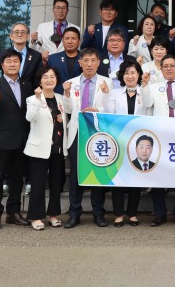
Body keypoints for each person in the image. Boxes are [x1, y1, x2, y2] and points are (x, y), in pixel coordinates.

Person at [0, 50, 34, 230]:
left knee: (17, 178)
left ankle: (13, 213)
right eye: (9, 61)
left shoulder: (27, 85)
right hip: (2, 140)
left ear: (20, 64)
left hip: (22, 140)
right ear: (2, 65)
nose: (12, 64)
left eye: (16, 61)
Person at [61, 47, 112, 228]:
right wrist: (67, 94)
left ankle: (98, 213)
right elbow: (68, 110)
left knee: (97, 172)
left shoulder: (107, 82)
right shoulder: (70, 83)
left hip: (97, 132)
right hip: (77, 132)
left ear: (98, 63)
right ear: (80, 63)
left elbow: (112, 109)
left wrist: (98, 108)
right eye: (86, 60)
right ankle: (74, 213)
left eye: (93, 60)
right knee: (76, 174)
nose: (89, 64)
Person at [142, 54, 175, 226]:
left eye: (172, 66)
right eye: (166, 66)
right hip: (160, 136)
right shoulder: (153, 87)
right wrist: (144, 85)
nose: (169, 69)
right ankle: (160, 214)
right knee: (158, 176)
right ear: (161, 69)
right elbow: (147, 104)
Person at [105, 60, 152, 227]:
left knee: (135, 177)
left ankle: (132, 214)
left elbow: (148, 106)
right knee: (118, 177)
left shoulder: (145, 91)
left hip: (139, 140)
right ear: (121, 76)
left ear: (139, 75)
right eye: (126, 73)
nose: (130, 76)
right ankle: (118, 214)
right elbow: (109, 114)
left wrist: (145, 87)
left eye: (133, 72)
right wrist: (105, 94)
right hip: (119, 140)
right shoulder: (114, 93)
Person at [24, 66, 69, 231]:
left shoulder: (60, 98)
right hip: (39, 149)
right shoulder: (32, 99)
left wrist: (68, 93)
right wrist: (37, 99)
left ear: (57, 79)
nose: (49, 80)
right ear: (40, 81)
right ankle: (35, 216)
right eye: (45, 77)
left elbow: (68, 113)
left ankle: (53, 215)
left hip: (58, 148)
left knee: (56, 184)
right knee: (38, 184)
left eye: (52, 76)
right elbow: (30, 117)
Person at [47, 26, 82, 94]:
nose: (70, 41)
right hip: (58, 97)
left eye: (73, 38)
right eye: (67, 38)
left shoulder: (85, 59)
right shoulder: (53, 59)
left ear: (79, 41)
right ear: (62, 41)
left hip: (79, 96)